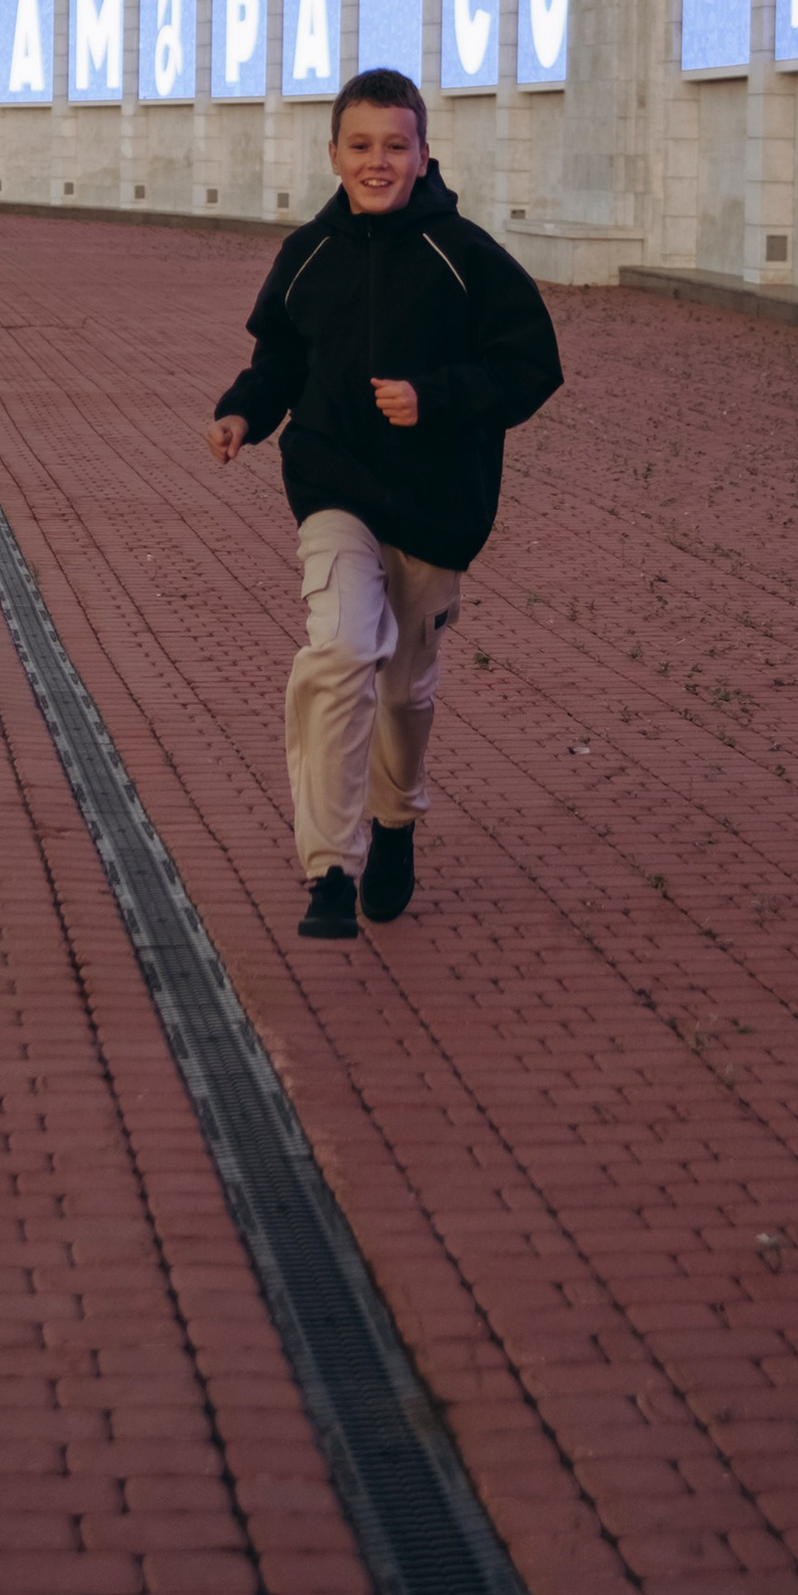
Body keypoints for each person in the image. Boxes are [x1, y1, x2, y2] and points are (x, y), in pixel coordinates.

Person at [205, 67, 564, 940]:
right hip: (332, 489)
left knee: (403, 691)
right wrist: (245, 410)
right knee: (338, 652)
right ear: (334, 154)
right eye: (360, 146)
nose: (378, 162)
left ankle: (396, 815)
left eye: (395, 146)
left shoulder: (466, 255)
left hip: (437, 506)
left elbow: (531, 368)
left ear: (423, 152)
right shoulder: (308, 254)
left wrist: (433, 398)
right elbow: (281, 359)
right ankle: (331, 867)